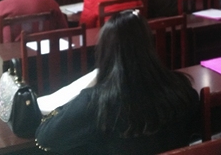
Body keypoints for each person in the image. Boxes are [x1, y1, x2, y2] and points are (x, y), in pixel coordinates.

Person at [35, 11, 199, 154]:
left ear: (105, 52)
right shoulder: (181, 86)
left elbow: (46, 137)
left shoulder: (97, 101)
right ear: (150, 45)